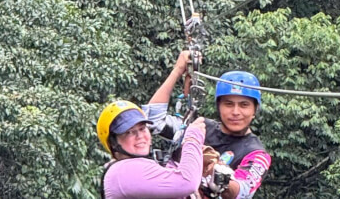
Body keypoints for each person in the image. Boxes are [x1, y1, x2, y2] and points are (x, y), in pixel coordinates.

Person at [145, 51, 272, 199]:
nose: (236, 112)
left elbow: (240, 192)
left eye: (244, 105)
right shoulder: (199, 128)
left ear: (254, 110)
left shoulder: (256, 154)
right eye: (228, 104)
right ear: (219, 107)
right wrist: (178, 70)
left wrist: (214, 169)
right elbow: (153, 121)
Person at [98, 99, 207, 198]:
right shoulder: (122, 171)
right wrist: (193, 137)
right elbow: (187, 182)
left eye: (142, 128)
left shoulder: (151, 166)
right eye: (129, 132)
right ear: (113, 143)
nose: (140, 136)